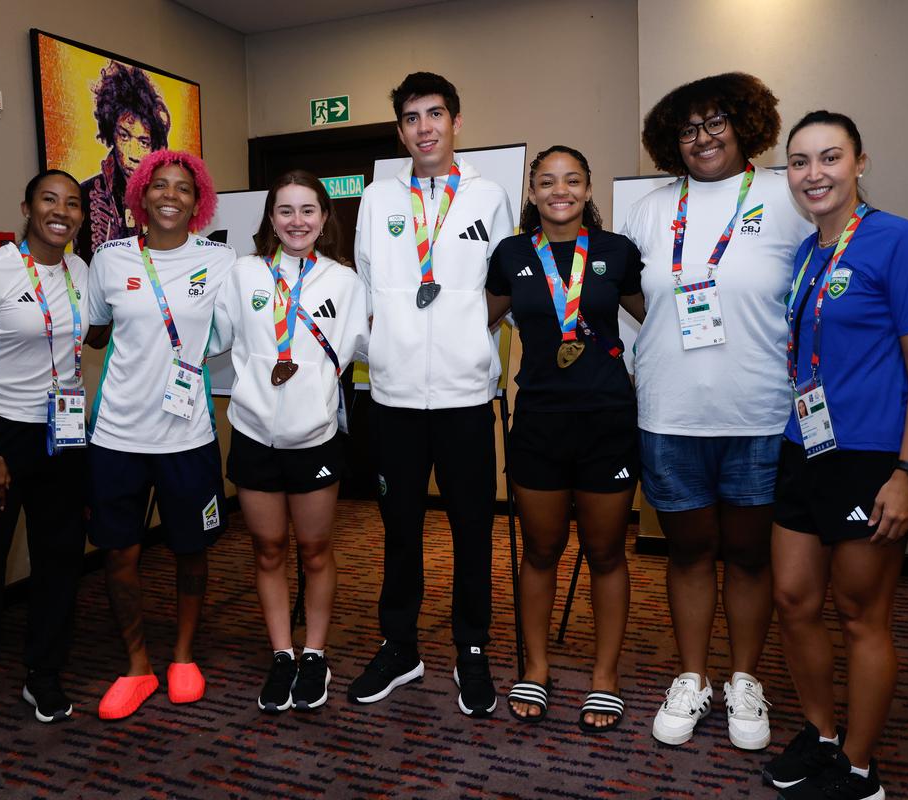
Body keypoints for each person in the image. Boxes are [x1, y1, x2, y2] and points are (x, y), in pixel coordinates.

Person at [623, 72, 815, 750]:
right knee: (688, 552)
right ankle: (693, 675)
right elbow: (629, 301)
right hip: (670, 415)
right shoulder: (649, 209)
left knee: (750, 556)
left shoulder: (785, 196)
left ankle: (744, 679)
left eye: (715, 122)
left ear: (743, 125)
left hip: (760, 412)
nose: (702, 138)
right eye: (687, 129)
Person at [763, 111, 908, 800]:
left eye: (830, 157)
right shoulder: (806, 254)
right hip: (804, 446)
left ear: (860, 163)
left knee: (861, 614)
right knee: (792, 599)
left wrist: (907, 473)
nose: (814, 174)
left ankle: (859, 769)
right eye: (800, 161)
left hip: (874, 457)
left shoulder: (902, 241)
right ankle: (821, 734)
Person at [348, 72, 513, 717]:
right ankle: (400, 646)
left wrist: (465, 336)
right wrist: (387, 350)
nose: (425, 128)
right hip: (394, 399)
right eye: (412, 118)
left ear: (456, 121)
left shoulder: (488, 196)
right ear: (400, 130)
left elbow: (501, 286)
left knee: (473, 528)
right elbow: (366, 288)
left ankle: (471, 648)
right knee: (399, 528)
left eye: (435, 114)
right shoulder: (376, 199)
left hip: (464, 395)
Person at [486, 146, 643, 732]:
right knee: (541, 550)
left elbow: (655, 318)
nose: (560, 191)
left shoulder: (615, 251)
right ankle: (537, 666)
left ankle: (606, 675)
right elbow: (476, 320)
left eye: (572, 180)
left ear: (587, 189)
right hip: (540, 423)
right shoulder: (511, 255)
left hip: (607, 420)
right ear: (532, 192)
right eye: (548, 181)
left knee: (605, 553)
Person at [209, 170, 368, 713]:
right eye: (285, 210)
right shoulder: (243, 273)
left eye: (307, 210)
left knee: (316, 551)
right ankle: (282, 654)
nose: (296, 221)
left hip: (315, 438)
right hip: (254, 434)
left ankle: (315, 654)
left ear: (324, 219)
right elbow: (213, 336)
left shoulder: (344, 282)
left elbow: (370, 347)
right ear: (270, 219)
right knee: (268, 549)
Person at [84, 149, 234, 721]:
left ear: (199, 203)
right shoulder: (108, 258)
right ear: (141, 195)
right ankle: (137, 664)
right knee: (119, 552)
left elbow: (230, 333)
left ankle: (183, 657)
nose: (171, 196)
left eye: (183, 189)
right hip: (117, 434)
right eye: (160, 185)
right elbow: (96, 329)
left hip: (187, 435)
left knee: (190, 550)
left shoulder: (220, 260)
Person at [0, 169, 89, 745]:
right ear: (27, 207)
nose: (61, 211)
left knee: (60, 559)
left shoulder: (80, 272)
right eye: (49, 200)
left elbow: (94, 335)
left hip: (62, 435)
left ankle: (43, 674)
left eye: (72, 203)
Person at [74, 62, 172, 262]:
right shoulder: (85, 194)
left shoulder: (164, 198)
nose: (133, 153)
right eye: (124, 136)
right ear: (112, 132)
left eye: (143, 142)